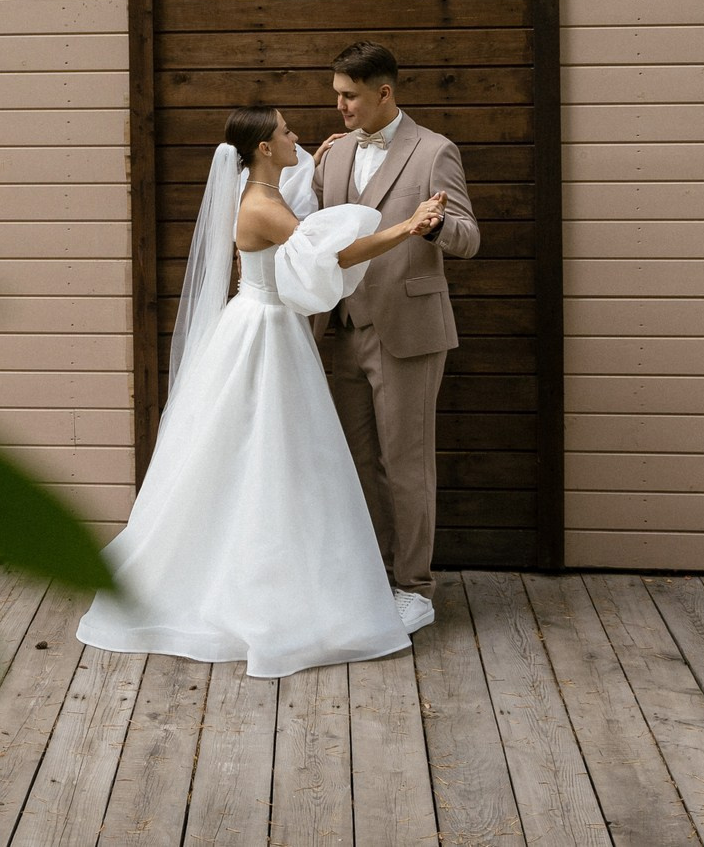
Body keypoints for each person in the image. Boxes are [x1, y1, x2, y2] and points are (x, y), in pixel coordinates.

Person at [74, 104, 448, 676]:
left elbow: (293, 199)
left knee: (275, 454)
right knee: (271, 454)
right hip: (266, 333)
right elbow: (334, 255)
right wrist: (405, 226)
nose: (298, 134)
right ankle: (267, 589)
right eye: (286, 132)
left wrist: (310, 164)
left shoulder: (264, 191)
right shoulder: (260, 206)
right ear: (265, 149)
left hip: (268, 326)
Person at [312, 41, 479, 635]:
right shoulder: (332, 156)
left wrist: (435, 229)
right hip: (344, 329)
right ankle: (372, 576)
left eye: (349, 96)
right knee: (357, 461)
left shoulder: (435, 151)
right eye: (336, 95)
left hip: (407, 332)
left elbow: (469, 237)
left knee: (406, 463)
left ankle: (414, 587)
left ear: (384, 92)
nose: (340, 107)